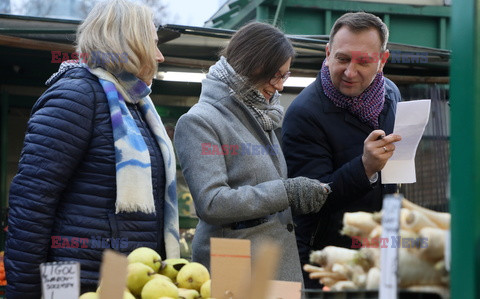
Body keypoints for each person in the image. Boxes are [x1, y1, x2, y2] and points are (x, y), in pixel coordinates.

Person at [5, 0, 179, 297]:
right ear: (131, 44)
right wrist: (25, 293)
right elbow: (31, 204)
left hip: (123, 278)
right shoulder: (76, 96)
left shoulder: (135, 104)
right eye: (153, 44)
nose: (160, 56)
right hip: (71, 281)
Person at [174, 22, 331, 283]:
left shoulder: (262, 115)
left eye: (285, 76)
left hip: (274, 266)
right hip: (234, 271)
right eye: (276, 75)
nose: (280, 86)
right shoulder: (200, 121)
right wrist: (287, 192)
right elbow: (212, 203)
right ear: (252, 64)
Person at [281, 12, 402, 288]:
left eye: (364, 62)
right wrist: (365, 167)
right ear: (328, 53)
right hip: (324, 262)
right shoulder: (305, 113)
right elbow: (309, 199)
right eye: (343, 59)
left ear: (382, 61)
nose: (350, 72)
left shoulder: (391, 94)